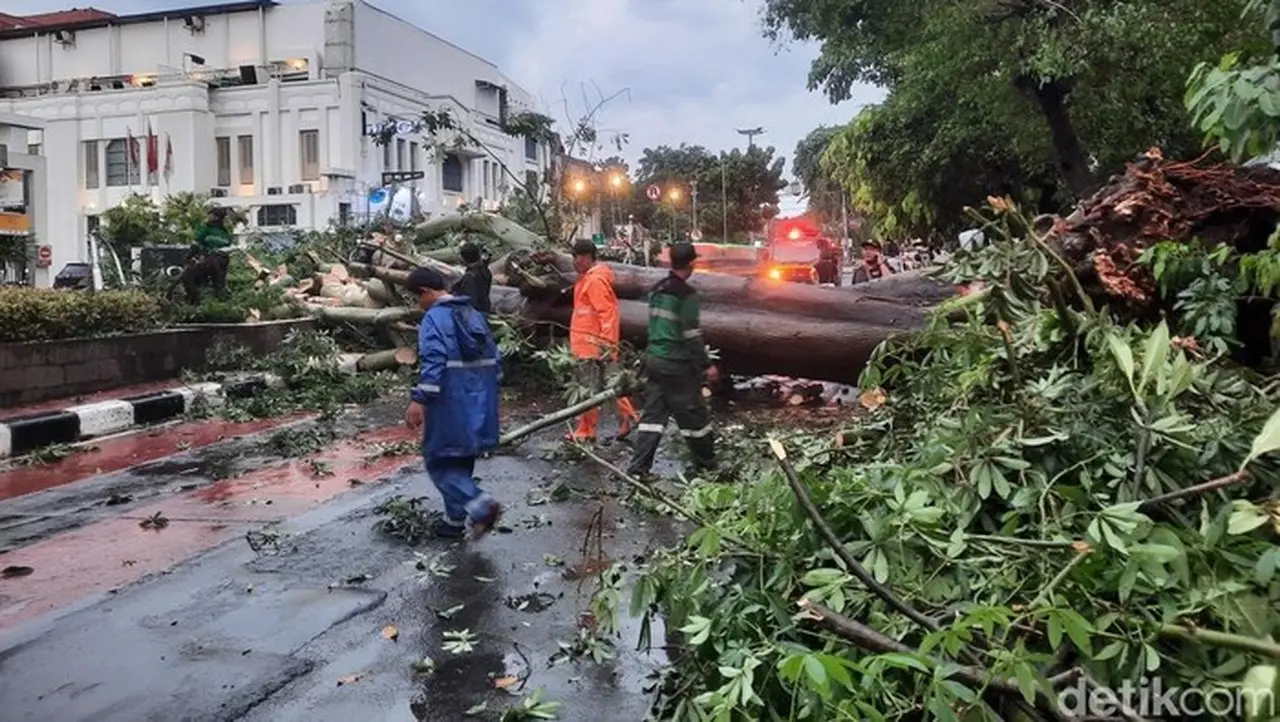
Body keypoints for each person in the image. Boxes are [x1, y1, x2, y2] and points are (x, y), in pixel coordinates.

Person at [404, 266, 504, 539]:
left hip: (450, 402)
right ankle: (454, 519)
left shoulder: (434, 319)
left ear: (425, 292)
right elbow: (496, 359)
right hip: (479, 401)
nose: (418, 305)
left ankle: (482, 507)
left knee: (439, 461)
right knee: (460, 459)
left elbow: (434, 361)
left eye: (416, 298)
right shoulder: (473, 314)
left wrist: (419, 400)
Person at [626, 241, 717, 478]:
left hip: (654, 360)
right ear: (691, 264)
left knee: (653, 418)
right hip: (676, 363)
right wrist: (707, 365)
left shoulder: (657, 289)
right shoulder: (686, 295)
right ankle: (708, 465)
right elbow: (691, 335)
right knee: (695, 416)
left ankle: (638, 469)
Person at [567, 239, 640, 442]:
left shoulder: (595, 280)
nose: (576, 261)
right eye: (574, 256)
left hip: (592, 345)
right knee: (610, 385)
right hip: (589, 343)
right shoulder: (588, 279)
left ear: (589, 257)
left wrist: (608, 347)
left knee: (589, 388)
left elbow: (607, 315)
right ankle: (627, 418)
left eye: (579, 256)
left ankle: (586, 430)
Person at [182, 206, 234, 303]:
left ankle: (195, 301)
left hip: (212, 261)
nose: (208, 217)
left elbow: (196, 245)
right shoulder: (226, 233)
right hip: (224, 261)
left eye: (210, 215)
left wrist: (187, 257)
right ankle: (222, 305)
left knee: (187, 275)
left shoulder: (207, 229)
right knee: (219, 285)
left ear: (215, 217)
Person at [450, 241, 492, 314]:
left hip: (476, 313)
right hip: (485, 307)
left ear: (464, 258)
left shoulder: (471, 277)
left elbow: (471, 301)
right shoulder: (485, 270)